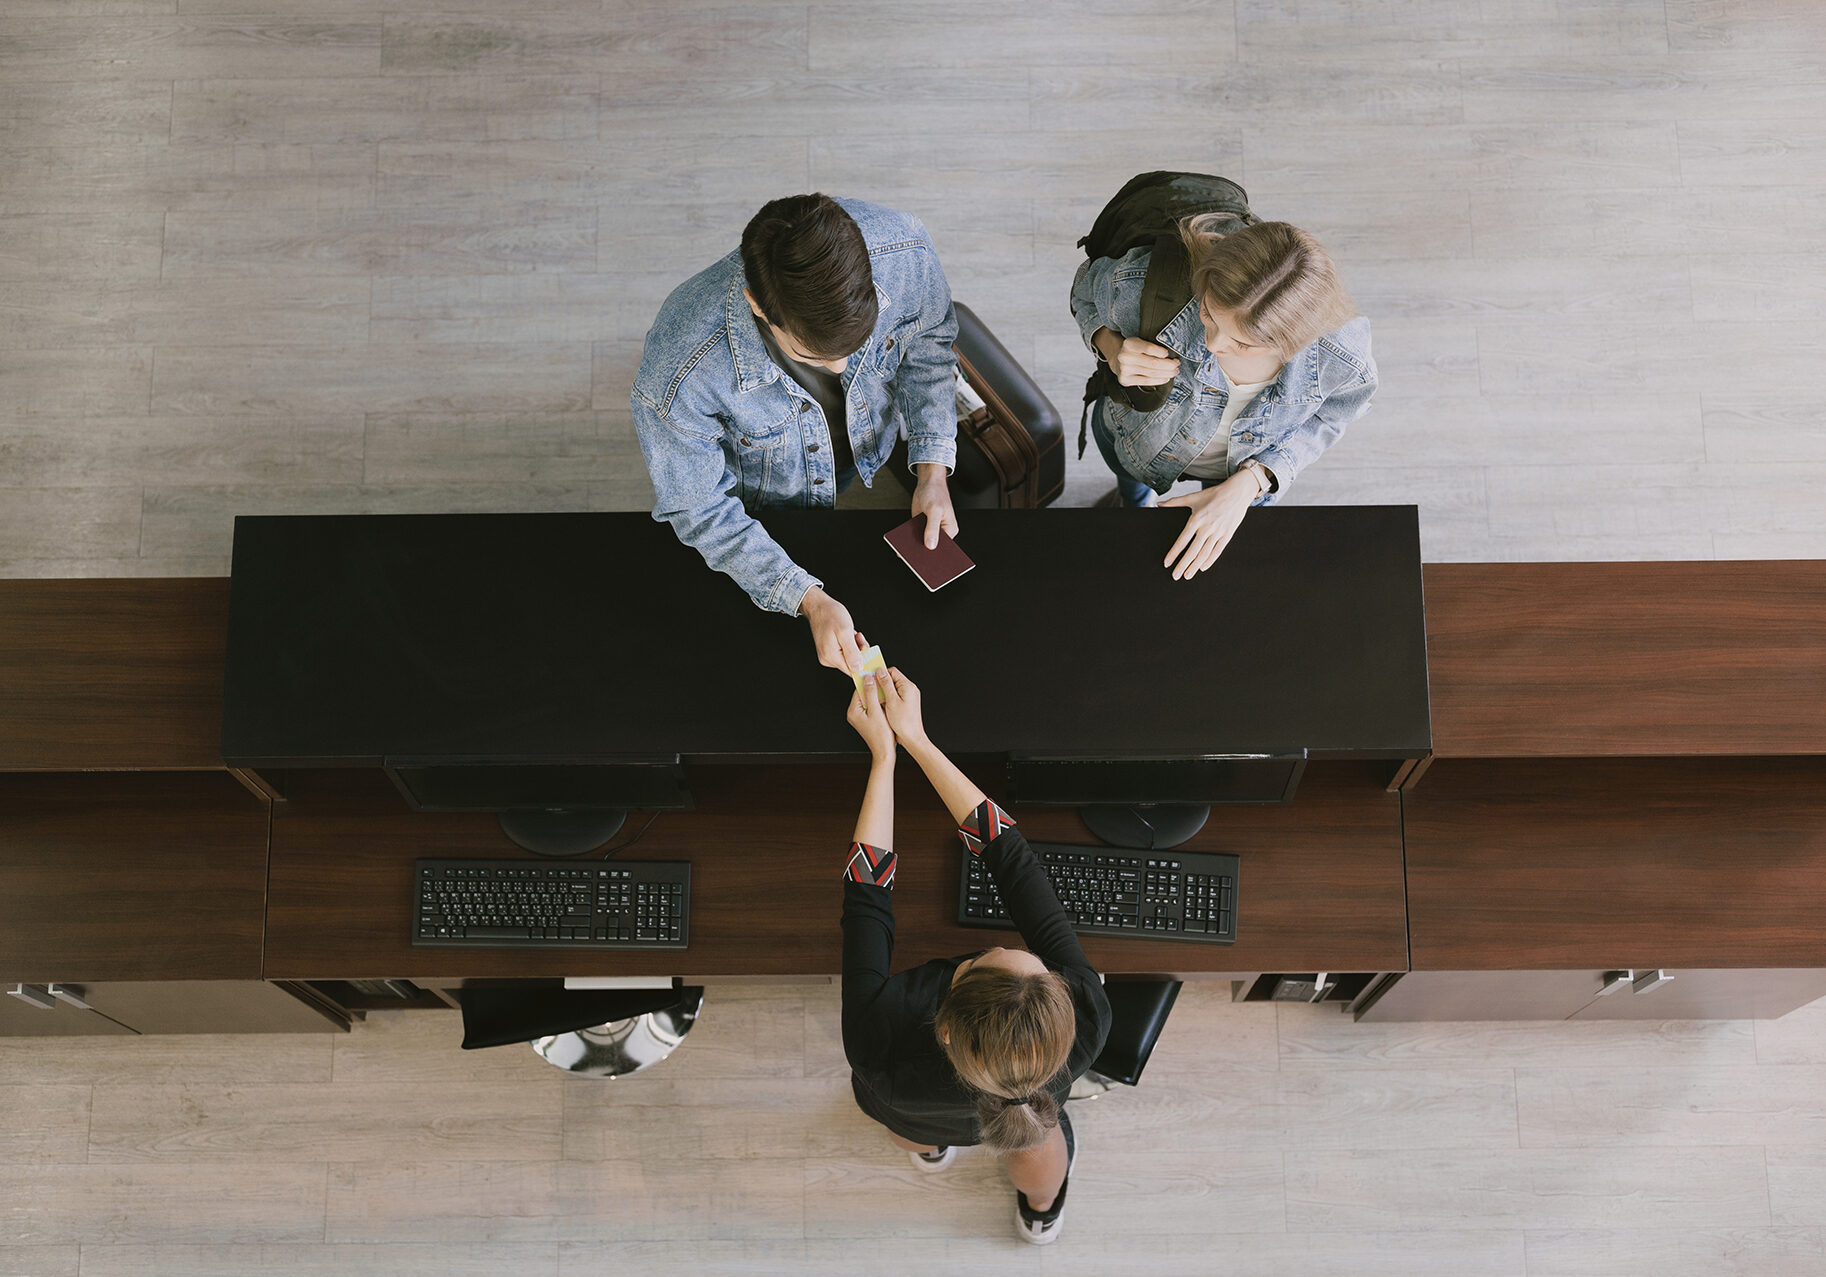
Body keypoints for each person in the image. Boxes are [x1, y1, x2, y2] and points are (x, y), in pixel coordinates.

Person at [839, 650, 1112, 1245]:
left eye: (979, 960)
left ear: (943, 1017)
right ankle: (1040, 1212)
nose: (1004, 944)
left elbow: (869, 901)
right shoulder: (1086, 1012)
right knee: (1035, 1142)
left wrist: (887, 757)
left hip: (909, 1106)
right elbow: (1010, 863)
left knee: (910, 1129)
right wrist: (915, 741)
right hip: (1018, 1119)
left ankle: (932, 1152)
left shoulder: (879, 1049)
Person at [632, 194, 960, 673]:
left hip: (867, 446)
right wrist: (806, 599)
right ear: (758, 307)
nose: (843, 368)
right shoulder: (677, 372)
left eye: (857, 344)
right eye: (815, 356)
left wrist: (932, 471)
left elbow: (930, 344)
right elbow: (699, 507)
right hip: (768, 497)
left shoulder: (905, 248)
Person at [1070, 216, 1378, 580]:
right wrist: (1112, 347)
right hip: (1133, 442)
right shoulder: (1142, 282)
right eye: (1209, 313)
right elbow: (1085, 289)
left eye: (1243, 343)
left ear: (1293, 342)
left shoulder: (1342, 359)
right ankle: (1132, 503)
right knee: (1132, 494)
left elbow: (1329, 418)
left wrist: (1251, 483)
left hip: (1237, 471)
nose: (1213, 344)